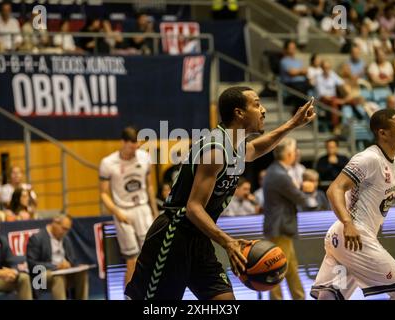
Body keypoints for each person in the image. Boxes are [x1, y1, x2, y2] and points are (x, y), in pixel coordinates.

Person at [125, 86, 316, 300]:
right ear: (239, 113)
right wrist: (228, 242)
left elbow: (257, 149)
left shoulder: (234, 146)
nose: (263, 110)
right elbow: (193, 208)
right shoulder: (216, 149)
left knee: (225, 301)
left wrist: (292, 124)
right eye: (256, 104)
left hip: (199, 239)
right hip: (173, 237)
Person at [311, 109, 395, 300]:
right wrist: (347, 223)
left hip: (341, 241)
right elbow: (334, 189)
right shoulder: (368, 159)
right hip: (354, 236)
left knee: (329, 297)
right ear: (382, 133)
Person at [100, 126, 159, 288]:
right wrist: (116, 212)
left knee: (151, 254)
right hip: (123, 210)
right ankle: (128, 295)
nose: (134, 151)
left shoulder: (144, 158)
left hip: (142, 208)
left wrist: (154, 211)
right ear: (122, 143)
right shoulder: (108, 163)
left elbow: (150, 186)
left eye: (137, 147)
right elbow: (104, 194)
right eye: (131, 147)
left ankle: (151, 292)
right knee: (131, 259)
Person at [263, 137, 315, 300]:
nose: (296, 154)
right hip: (280, 228)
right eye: (294, 151)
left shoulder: (275, 171)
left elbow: (290, 192)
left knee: (291, 267)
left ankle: (299, 297)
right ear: (289, 154)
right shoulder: (280, 174)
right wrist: (309, 191)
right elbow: (299, 198)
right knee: (277, 269)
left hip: (279, 228)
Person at [26, 215, 88, 300]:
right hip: (40, 277)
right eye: (63, 228)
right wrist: (55, 267)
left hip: (64, 272)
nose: (65, 232)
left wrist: (71, 264)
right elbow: (32, 264)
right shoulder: (37, 238)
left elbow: (72, 259)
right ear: (55, 223)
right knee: (58, 277)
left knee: (82, 273)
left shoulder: (65, 239)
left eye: (67, 230)